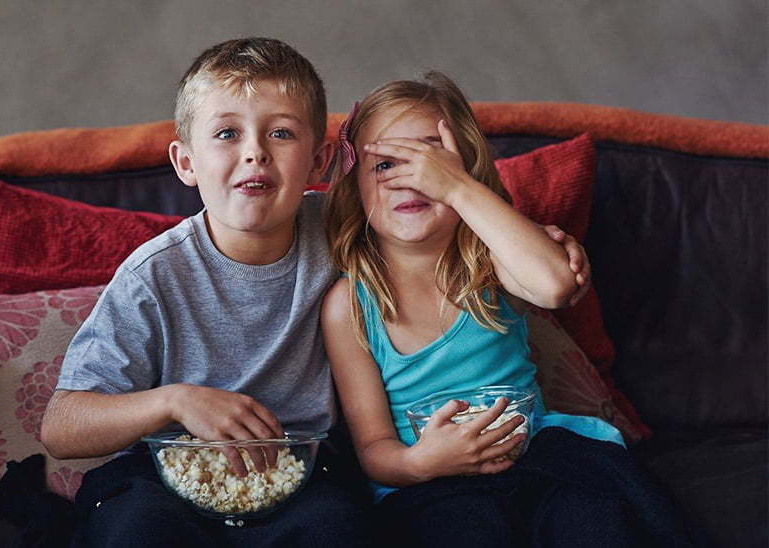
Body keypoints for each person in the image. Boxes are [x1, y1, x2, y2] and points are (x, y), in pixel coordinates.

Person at [41, 38, 590, 547]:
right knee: (137, 529)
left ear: (321, 161)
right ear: (186, 162)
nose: (256, 153)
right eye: (227, 134)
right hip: (171, 472)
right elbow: (62, 427)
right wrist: (175, 400)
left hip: (302, 471)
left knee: (337, 528)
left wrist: (533, 235)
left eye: (281, 133)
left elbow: (447, 231)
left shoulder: (351, 225)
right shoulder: (154, 277)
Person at [321, 72, 691, 546]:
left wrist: (457, 189)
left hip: (538, 457)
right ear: (355, 187)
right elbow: (375, 449)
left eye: (433, 159)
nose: (412, 179)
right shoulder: (350, 306)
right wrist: (421, 462)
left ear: (466, 169)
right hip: (432, 485)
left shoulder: (491, 261)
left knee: (598, 521)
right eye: (386, 164)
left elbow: (555, 286)